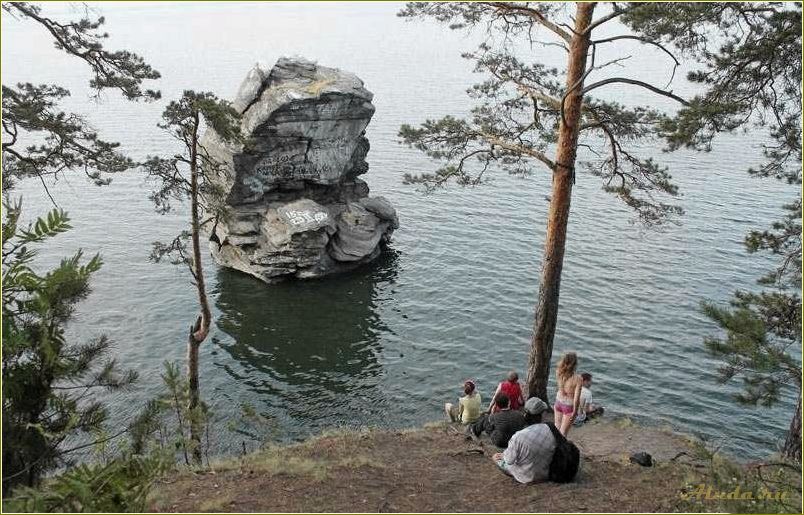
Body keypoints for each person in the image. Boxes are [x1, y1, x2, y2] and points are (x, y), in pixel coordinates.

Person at [492, 400, 555, 484]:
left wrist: (503, 455)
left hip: (526, 477)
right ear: (542, 414)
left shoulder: (518, 436)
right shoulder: (550, 429)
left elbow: (509, 461)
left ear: (525, 414)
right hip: (546, 473)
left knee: (495, 457)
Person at [553, 352, 582, 436]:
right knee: (563, 432)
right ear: (575, 364)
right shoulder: (578, 379)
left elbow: (560, 387)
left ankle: (553, 445)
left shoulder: (558, 371)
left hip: (558, 401)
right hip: (569, 405)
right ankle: (559, 448)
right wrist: (575, 412)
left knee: (556, 427)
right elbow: (576, 399)